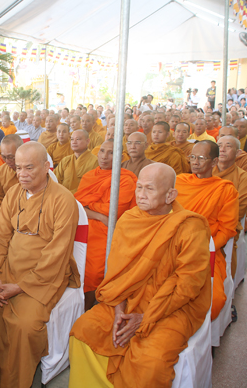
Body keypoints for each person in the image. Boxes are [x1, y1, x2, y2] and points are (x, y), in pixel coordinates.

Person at [69, 163, 211, 388]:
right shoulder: (128, 220)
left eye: (149, 189)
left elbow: (188, 286)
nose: (141, 195)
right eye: (139, 187)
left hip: (171, 308)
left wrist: (145, 318)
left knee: (151, 363)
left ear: (170, 195)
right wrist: (119, 310)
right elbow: (116, 274)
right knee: (84, 330)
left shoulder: (190, 227)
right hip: (126, 300)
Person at [0, 141, 80, 388]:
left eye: (29, 168)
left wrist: (19, 287)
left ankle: (15, 382)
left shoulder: (64, 200)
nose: (22, 174)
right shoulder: (13, 193)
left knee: (24, 326)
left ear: (46, 167)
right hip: (9, 269)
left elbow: (58, 253)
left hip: (44, 277)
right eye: (18, 168)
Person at [176, 141, 239, 320]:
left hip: (205, 249)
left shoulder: (225, 189)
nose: (195, 162)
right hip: (172, 245)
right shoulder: (179, 181)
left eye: (201, 158)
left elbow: (227, 230)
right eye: (192, 157)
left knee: (213, 299)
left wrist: (206, 249)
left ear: (214, 162)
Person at [74, 140, 137, 310]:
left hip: (108, 232)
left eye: (111, 153)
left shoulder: (125, 180)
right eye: (102, 151)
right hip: (85, 227)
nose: (104, 156)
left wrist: (90, 206)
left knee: (95, 272)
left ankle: (90, 307)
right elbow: (78, 206)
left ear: (121, 157)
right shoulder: (89, 177)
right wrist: (99, 215)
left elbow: (114, 210)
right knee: (76, 268)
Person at [215, 135, 247, 278]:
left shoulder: (243, 178)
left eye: (228, 146)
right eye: (219, 146)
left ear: (238, 153)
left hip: (225, 226)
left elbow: (238, 210)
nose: (222, 149)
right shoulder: (205, 172)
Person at [0, 134, 23, 207]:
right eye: (4, 157)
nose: (7, 161)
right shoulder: (1, 171)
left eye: (11, 157)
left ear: (21, 151)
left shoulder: (32, 170)